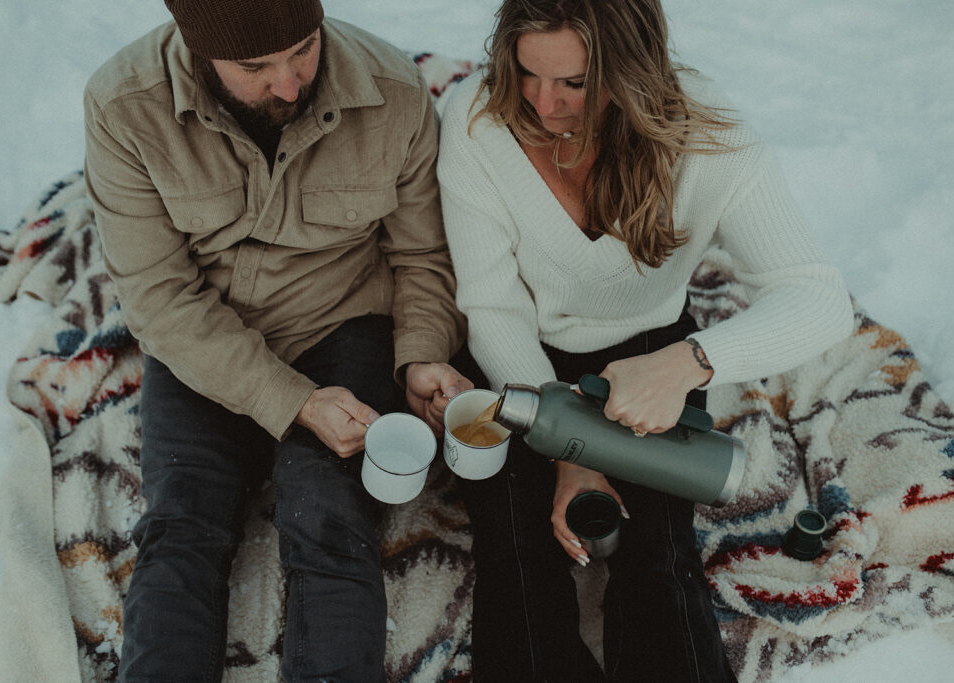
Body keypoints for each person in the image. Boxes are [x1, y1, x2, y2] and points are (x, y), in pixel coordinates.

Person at [437, 0, 854, 681]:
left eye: (573, 82)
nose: (543, 105)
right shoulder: (477, 116)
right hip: (513, 358)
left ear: (629, 71)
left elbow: (819, 296)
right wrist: (570, 450)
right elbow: (491, 306)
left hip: (650, 350)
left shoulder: (709, 137)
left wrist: (690, 362)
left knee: (657, 551)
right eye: (527, 73)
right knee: (518, 550)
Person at [83, 1, 472, 679]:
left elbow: (423, 256)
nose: (290, 84)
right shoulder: (124, 106)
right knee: (181, 528)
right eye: (257, 66)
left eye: (303, 49)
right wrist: (291, 400)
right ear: (197, 47)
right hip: (205, 336)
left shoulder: (396, 91)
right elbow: (160, 298)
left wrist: (421, 353)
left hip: (343, 318)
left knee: (329, 518)